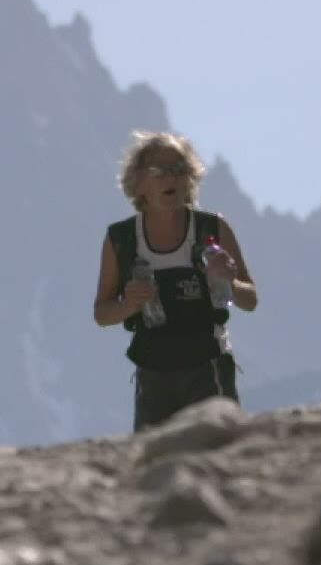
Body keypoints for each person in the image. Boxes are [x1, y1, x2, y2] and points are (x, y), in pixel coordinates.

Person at [92, 130, 260, 431]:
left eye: (179, 169)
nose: (171, 178)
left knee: (216, 449)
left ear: (190, 178)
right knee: (157, 452)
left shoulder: (213, 228)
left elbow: (250, 300)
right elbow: (102, 313)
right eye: (159, 171)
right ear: (138, 183)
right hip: (153, 372)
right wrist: (129, 304)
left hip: (209, 364)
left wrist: (229, 281)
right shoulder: (122, 239)